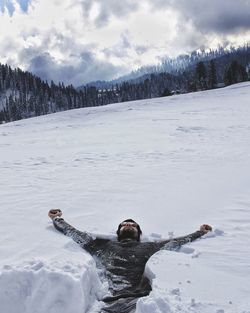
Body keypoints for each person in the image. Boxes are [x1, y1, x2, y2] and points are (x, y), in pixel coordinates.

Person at [48, 209, 212, 313]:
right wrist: (57, 219)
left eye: (132, 225)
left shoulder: (150, 247)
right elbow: (75, 234)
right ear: (119, 232)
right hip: (109, 304)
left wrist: (199, 233)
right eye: (124, 224)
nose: (128, 225)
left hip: (138, 302)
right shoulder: (103, 245)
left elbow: (176, 242)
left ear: (138, 233)